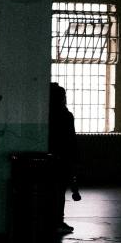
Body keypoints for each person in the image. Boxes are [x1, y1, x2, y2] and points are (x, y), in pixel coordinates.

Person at [48, 82, 81, 233]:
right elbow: (71, 139)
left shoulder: (46, 115)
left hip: (49, 157)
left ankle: (49, 220)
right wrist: (75, 158)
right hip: (63, 157)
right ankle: (58, 222)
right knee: (59, 193)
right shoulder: (66, 116)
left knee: (50, 192)